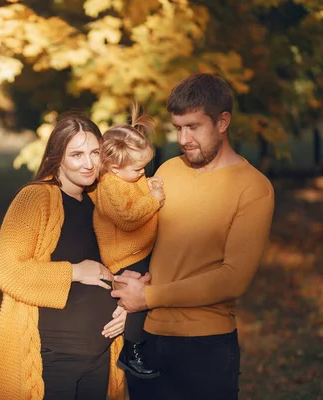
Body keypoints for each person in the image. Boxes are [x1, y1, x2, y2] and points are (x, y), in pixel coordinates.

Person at [111, 73, 275, 400]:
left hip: (206, 347)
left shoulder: (253, 188)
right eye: (177, 128)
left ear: (223, 121)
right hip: (147, 340)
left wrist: (149, 297)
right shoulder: (168, 171)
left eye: (194, 127)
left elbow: (232, 279)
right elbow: (141, 236)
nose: (183, 138)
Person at [0, 113, 136, 400]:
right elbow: (7, 271)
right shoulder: (36, 199)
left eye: (95, 153)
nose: (89, 163)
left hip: (100, 357)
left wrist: (126, 305)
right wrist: (76, 271)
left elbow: (114, 267)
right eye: (77, 154)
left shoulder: (99, 203)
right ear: (58, 157)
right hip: (53, 362)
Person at [93, 103, 165, 379]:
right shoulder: (109, 186)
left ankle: (142, 346)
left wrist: (152, 188)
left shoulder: (131, 177)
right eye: (138, 169)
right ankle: (131, 352)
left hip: (140, 250)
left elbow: (142, 190)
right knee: (137, 301)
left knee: (149, 296)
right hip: (124, 257)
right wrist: (154, 199)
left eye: (146, 167)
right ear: (113, 167)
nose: (142, 174)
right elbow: (128, 218)